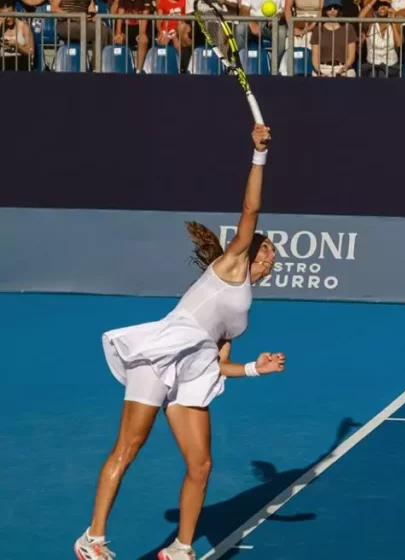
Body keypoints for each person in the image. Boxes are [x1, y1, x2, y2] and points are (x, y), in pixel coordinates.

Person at [73, 123, 287, 560]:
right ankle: (92, 538)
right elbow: (250, 207)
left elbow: (218, 363)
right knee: (129, 447)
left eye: (272, 256)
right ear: (250, 250)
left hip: (194, 369)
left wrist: (254, 368)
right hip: (161, 355)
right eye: (266, 251)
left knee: (201, 464)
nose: (271, 259)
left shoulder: (242, 310)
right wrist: (259, 154)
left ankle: (180, 548)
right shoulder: (230, 265)